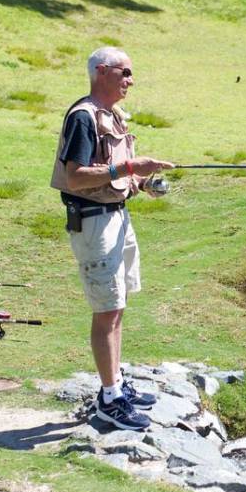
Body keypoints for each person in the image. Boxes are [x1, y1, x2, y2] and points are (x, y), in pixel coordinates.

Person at [50, 47, 174, 431]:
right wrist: (129, 166)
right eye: (124, 72)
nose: (130, 80)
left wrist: (140, 182)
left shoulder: (112, 116)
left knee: (116, 306)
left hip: (116, 216)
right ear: (101, 72)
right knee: (106, 310)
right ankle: (109, 399)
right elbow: (76, 177)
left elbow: (111, 174)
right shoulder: (83, 117)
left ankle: (116, 385)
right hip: (94, 224)